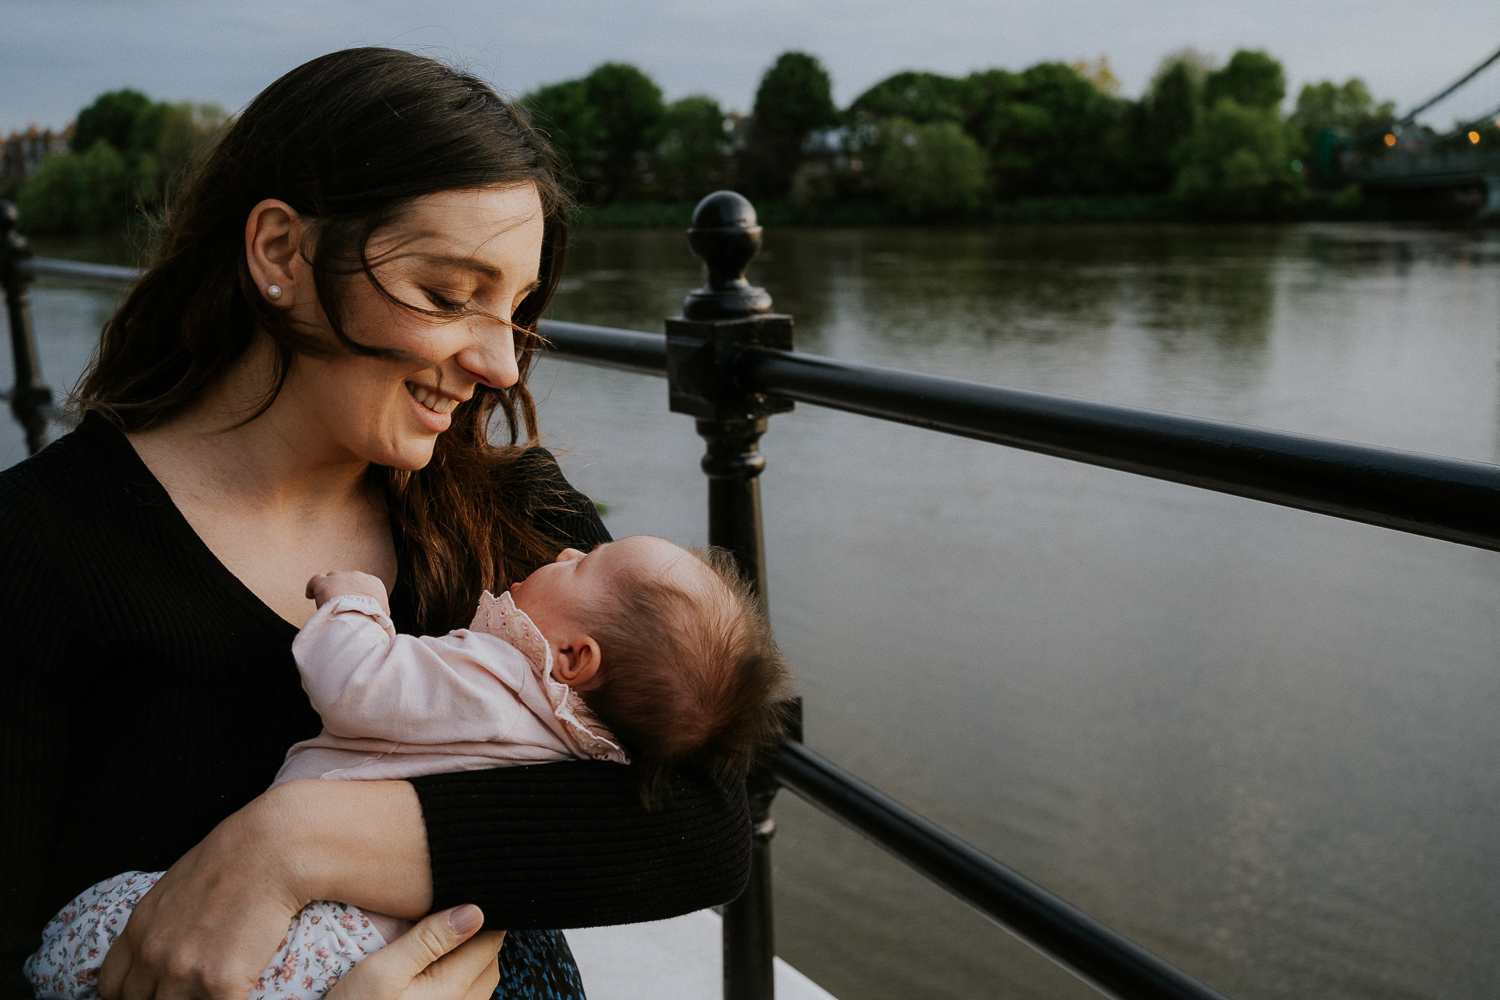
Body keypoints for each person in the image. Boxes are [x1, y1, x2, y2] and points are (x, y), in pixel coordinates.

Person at [0, 48, 753, 1000]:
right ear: (281, 252)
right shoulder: (34, 552)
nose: (499, 364)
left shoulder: (511, 511)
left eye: (515, 311)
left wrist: (290, 843)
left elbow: (706, 820)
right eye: (449, 294)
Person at [25, 537, 792, 1000]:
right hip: (383, 945)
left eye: (581, 561)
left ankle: (54, 967)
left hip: (330, 930)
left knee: (103, 918)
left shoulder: (491, 674)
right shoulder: (599, 739)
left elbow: (361, 685)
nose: (562, 548)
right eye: (448, 294)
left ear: (572, 657)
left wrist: (355, 602)